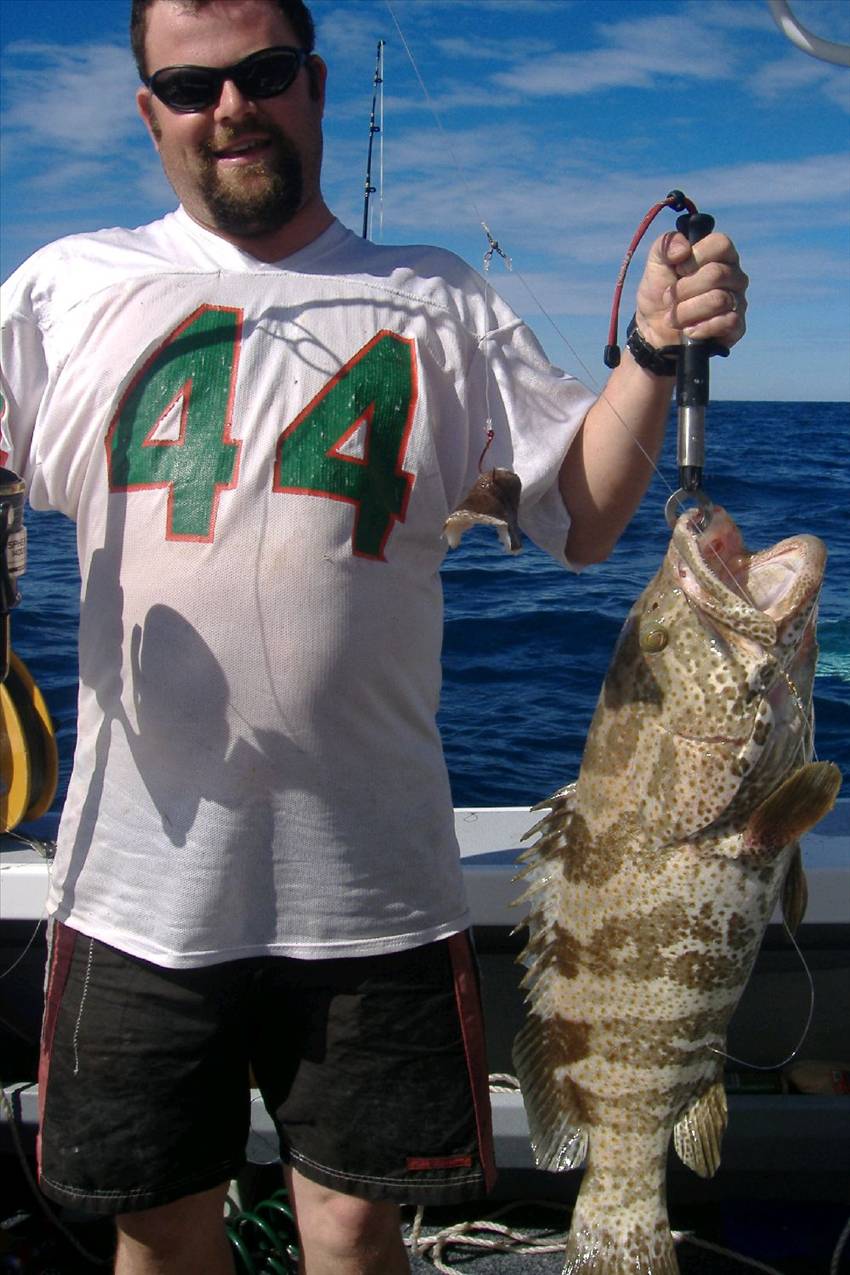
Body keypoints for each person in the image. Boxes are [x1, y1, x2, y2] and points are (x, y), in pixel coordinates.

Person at [0, 1, 749, 1272]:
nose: (229, 107)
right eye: (188, 85)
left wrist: (653, 350)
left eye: (262, 71)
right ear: (147, 110)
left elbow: (579, 517)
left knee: (354, 1229)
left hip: (371, 888)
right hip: (133, 888)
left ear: (314, 82)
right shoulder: (65, 289)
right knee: (159, 1229)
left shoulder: (435, 298)